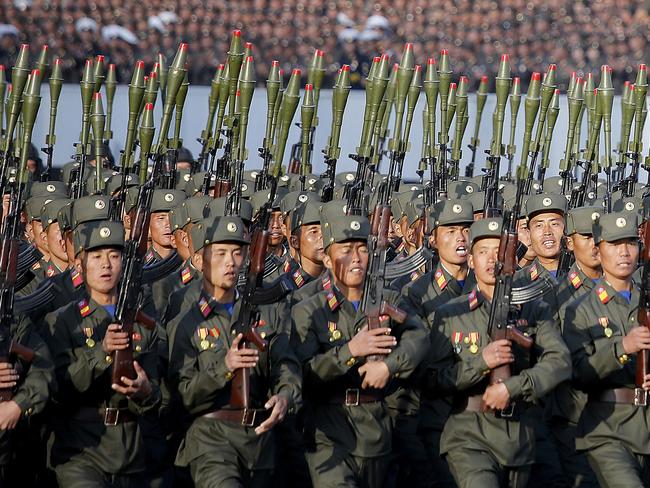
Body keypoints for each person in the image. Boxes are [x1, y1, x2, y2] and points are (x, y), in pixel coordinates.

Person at [427, 217, 571, 487]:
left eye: (500, 251)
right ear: (471, 260)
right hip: (469, 435)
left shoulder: (534, 309)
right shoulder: (450, 314)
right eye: (483, 252)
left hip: (521, 435)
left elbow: (559, 361)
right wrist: (481, 362)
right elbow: (433, 380)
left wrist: (514, 386)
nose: (493, 259)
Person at [293, 213, 428, 487]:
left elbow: (419, 335)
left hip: (378, 429)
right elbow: (303, 374)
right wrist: (350, 351)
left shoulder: (389, 300)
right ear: (328, 260)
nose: (356, 258)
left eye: (363, 249)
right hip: (328, 432)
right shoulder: (309, 310)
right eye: (345, 250)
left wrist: (388, 366)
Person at [168, 215, 302, 487]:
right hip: (211, 441)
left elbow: (285, 366)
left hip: (260, 444)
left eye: (237, 253)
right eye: (220, 253)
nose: (230, 262)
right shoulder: (188, 323)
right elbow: (181, 397)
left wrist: (285, 396)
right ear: (200, 259)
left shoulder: (263, 314)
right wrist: (224, 368)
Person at [44, 220, 162, 487]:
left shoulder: (144, 325)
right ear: (79, 265)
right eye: (96, 257)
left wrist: (146, 392)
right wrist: (103, 352)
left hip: (133, 453)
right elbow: (59, 388)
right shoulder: (62, 321)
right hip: (81, 452)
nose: (106, 265)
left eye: (114, 256)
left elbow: (163, 395)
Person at [563, 212, 650, 487]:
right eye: (614, 244)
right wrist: (622, 347)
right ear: (598, 250)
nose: (624, 252)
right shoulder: (582, 309)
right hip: (607, 429)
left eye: (630, 243)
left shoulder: (646, 303)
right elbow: (578, 372)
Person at [548, 206, 602, 487]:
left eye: (599, 236)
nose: (595, 244)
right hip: (573, 418)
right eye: (586, 236)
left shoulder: (625, 291)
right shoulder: (556, 295)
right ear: (570, 243)